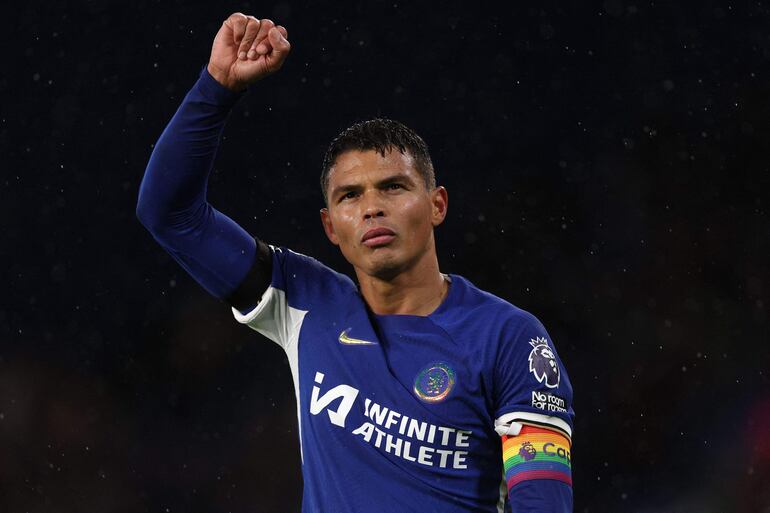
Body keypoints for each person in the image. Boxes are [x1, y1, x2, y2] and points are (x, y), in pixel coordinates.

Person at [136, 12, 575, 513]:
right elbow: (169, 214)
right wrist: (215, 88)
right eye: (350, 195)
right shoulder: (303, 301)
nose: (371, 207)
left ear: (437, 205)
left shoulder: (510, 338)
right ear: (330, 227)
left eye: (393, 186)